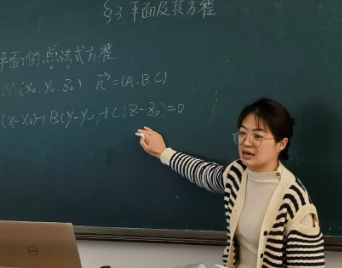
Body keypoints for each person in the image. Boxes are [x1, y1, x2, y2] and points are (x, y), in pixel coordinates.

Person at [137, 98, 325, 268]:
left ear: (281, 144)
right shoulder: (237, 173)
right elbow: (204, 174)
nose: (246, 142)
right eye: (243, 133)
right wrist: (164, 153)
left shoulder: (293, 199)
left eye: (258, 136)